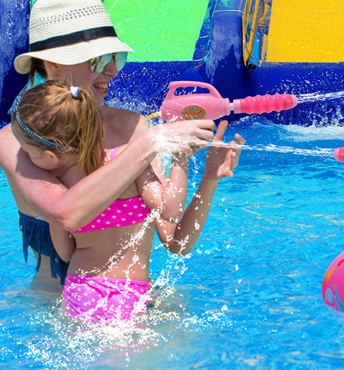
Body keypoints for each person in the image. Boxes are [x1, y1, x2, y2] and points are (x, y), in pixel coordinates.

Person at [0, 0, 224, 292]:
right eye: (98, 61)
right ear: (54, 63)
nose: (112, 72)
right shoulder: (17, 142)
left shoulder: (130, 127)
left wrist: (206, 176)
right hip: (56, 309)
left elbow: (174, 238)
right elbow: (67, 213)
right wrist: (151, 144)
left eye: (114, 58)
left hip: (138, 299)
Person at [11, 81, 241, 322]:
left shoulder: (64, 190)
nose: (25, 159)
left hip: (80, 290)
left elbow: (66, 253)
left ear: (50, 156)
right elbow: (171, 211)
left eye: (29, 153)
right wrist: (180, 156)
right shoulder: (129, 162)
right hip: (130, 292)